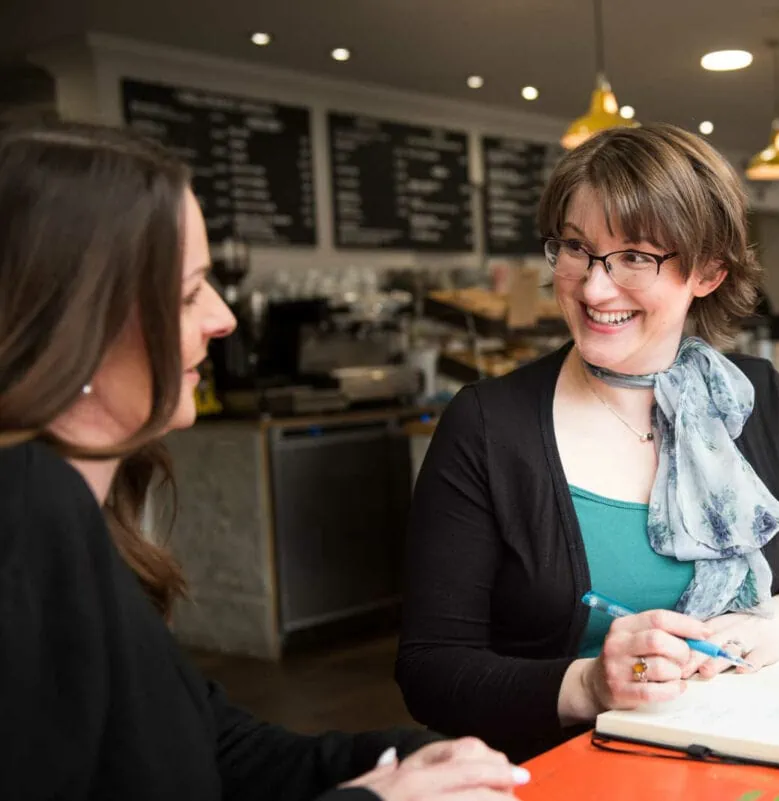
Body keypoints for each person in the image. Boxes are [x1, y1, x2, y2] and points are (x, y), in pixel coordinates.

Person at [0, 122, 529, 801]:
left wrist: (408, 758)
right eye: (190, 292)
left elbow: (212, 743)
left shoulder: (79, 515)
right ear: (75, 318)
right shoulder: (26, 507)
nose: (222, 319)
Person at [395, 123, 779, 762]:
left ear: (709, 272)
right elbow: (431, 670)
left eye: (636, 256)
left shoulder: (759, 401)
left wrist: (777, 621)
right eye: (577, 248)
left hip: (751, 756)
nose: (593, 287)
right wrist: (589, 684)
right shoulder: (487, 426)